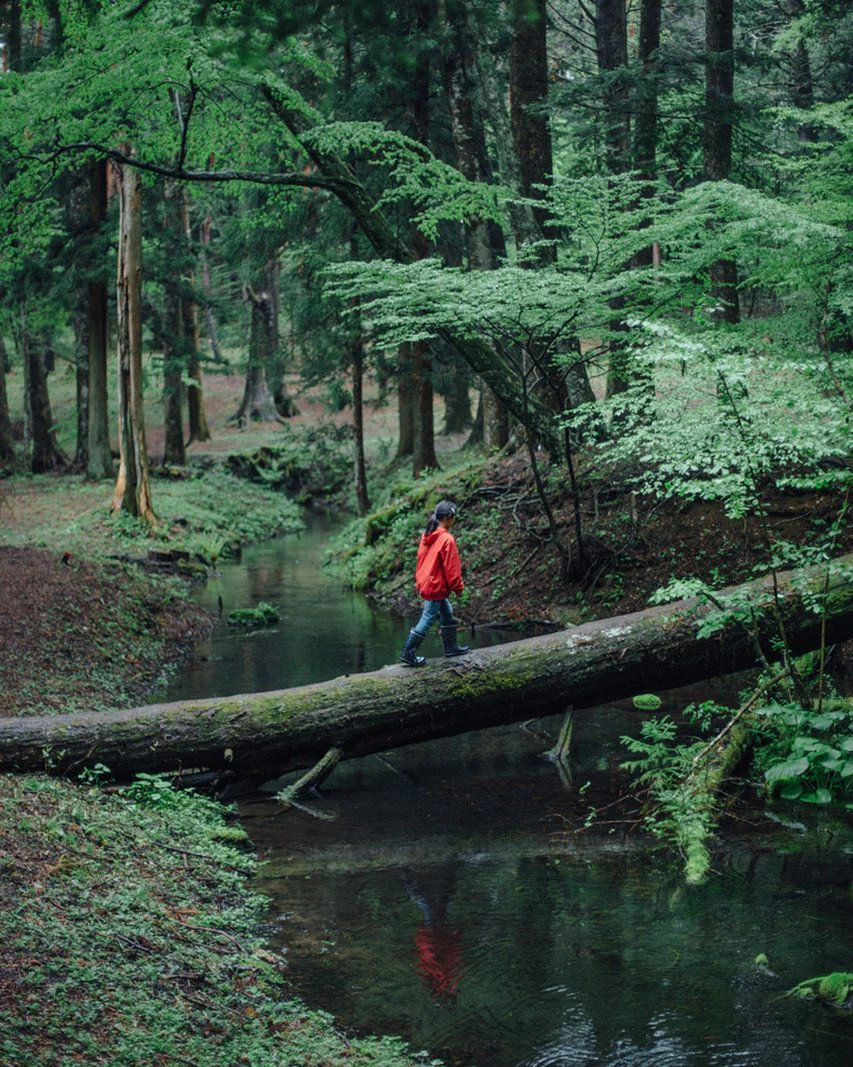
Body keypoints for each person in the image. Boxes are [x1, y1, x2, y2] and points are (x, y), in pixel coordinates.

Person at [400, 500, 470, 666]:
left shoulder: (427, 535)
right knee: (428, 617)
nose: (454, 521)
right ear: (447, 517)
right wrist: (458, 588)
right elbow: (452, 570)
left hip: (428, 582)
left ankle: (451, 647)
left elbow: (422, 560)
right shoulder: (446, 539)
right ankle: (407, 653)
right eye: (454, 517)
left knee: (447, 612)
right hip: (435, 585)